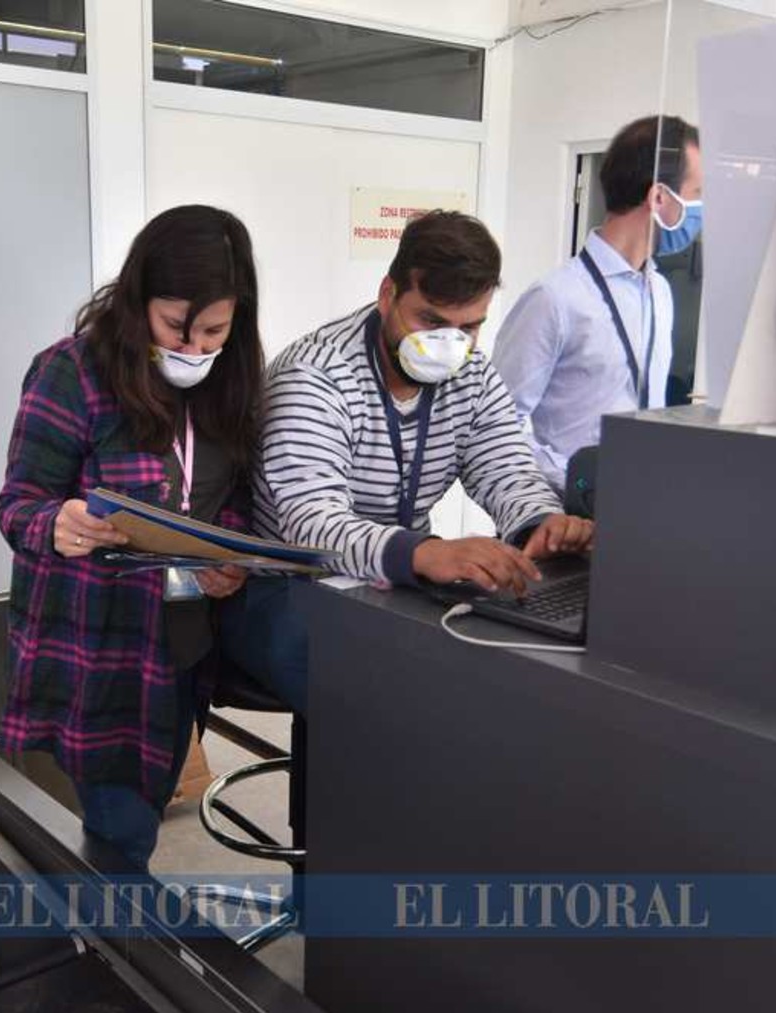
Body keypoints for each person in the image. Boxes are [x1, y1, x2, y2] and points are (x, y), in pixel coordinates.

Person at [220, 209, 594, 715]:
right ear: (387, 294)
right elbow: (311, 527)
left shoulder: (472, 374)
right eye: (431, 321)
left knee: (484, 678)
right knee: (390, 705)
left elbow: (506, 468)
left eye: (470, 327)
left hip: (394, 579)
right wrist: (425, 553)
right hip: (285, 585)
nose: (449, 345)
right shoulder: (315, 376)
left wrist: (539, 521)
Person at [0, 204, 264, 872]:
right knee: (121, 837)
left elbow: (232, 497)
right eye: (176, 327)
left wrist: (230, 554)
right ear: (139, 301)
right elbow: (18, 504)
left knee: (145, 806)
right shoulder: (73, 372)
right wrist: (56, 524)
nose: (194, 350)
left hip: (184, 643)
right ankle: (115, 931)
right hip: (99, 651)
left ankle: (120, 920)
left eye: (214, 331)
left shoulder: (228, 383)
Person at [495, 115, 703, 489]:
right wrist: (577, 480)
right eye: (697, 193)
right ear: (658, 197)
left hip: (641, 499)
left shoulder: (659, 291)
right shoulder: (554, 298)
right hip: (565, 509)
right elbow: (496, 425)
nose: (701, 210)